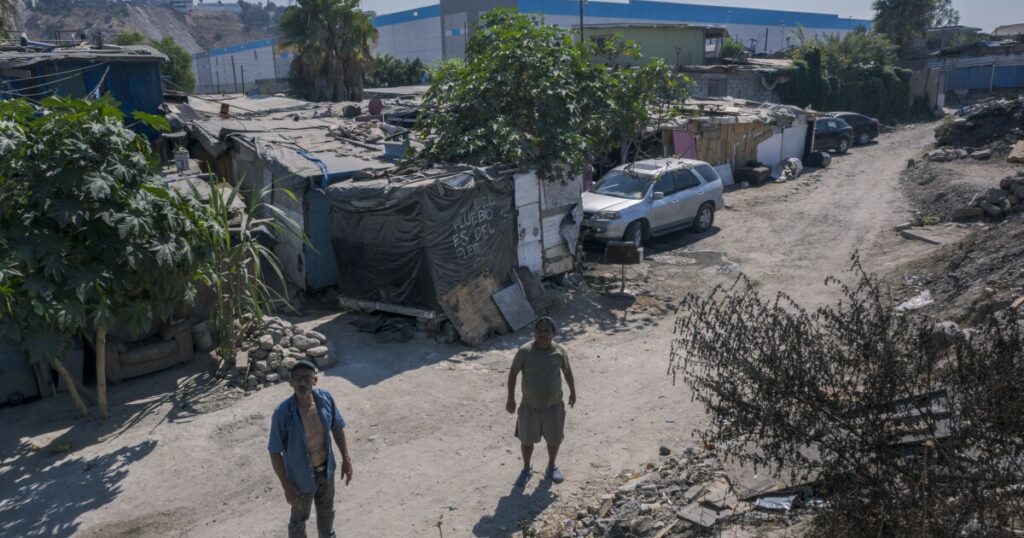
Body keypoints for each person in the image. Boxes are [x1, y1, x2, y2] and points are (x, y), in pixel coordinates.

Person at [269, 358, 353, 538]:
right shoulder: (282, 413)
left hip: (326, 472)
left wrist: (346, 459)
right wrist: (286, 486)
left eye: (307, 377)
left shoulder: (325, 399)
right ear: (290, 382)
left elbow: (337, 429)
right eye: (297, 378)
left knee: (327, 514)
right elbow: (274, 452)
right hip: (300, 479)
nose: (302, 382)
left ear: (315, 380)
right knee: (299, 521)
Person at [506, 317, 577, 487]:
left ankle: (551, 467)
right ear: (534, 332)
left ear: (553, 334)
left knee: (554, 440)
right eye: (539, 330)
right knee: (526, 440)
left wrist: (573, 392)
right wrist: (511, 398)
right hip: (529, 407)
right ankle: (526, 469)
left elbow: (567, 371)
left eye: (547, 331)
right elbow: (513, 374)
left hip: (554, 406)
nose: (542, 334)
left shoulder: (560, 351)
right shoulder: (525, 351)